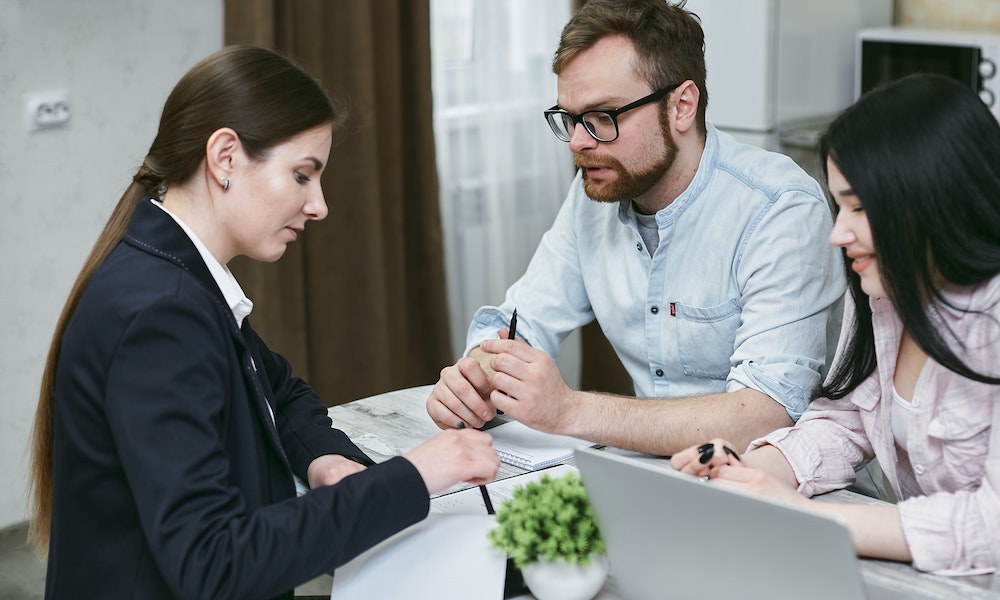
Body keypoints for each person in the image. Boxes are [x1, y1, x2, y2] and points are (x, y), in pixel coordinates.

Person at [28, 45, 499, 600]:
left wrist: (323, 458)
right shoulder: (164, 313)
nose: (319, 205)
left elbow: (279, 389)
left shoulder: (175, 274)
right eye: (302, 175)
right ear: (225, 157)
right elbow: (215, 565)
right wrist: (415, 476)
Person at [426, 0, 845, 455]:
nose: (580, 143)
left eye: (604, 117)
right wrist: (478, 372)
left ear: (681, 106)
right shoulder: (595, 195)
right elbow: (520, 324)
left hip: (787, 489)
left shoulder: (779, 208)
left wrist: (568, 410)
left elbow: (767, 414)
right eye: (570, 119)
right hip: (657, 480)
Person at [671, 73, 1000, 575]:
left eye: (859, 208)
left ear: (932, 198)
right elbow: (843, 423)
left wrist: (808, 518)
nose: (837, 233)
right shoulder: (883, 292)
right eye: (838, 205)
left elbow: (990, 525)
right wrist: (749, 473)